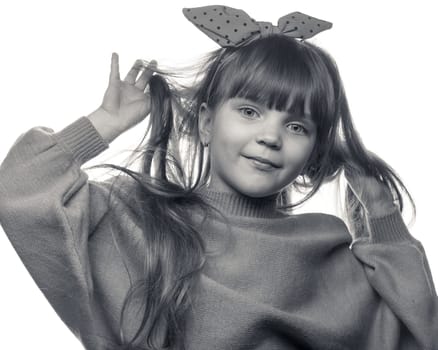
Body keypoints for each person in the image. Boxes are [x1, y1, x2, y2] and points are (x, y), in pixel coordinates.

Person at [0, 4, 437, 350]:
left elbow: (420, 332)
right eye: (250, 111)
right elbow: (18, 188)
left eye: (297, 126)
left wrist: (379, 213)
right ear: (206, 123)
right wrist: (103, 124)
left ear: (313, 152)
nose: (270, 136)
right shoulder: (136, 217)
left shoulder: (326, 250)